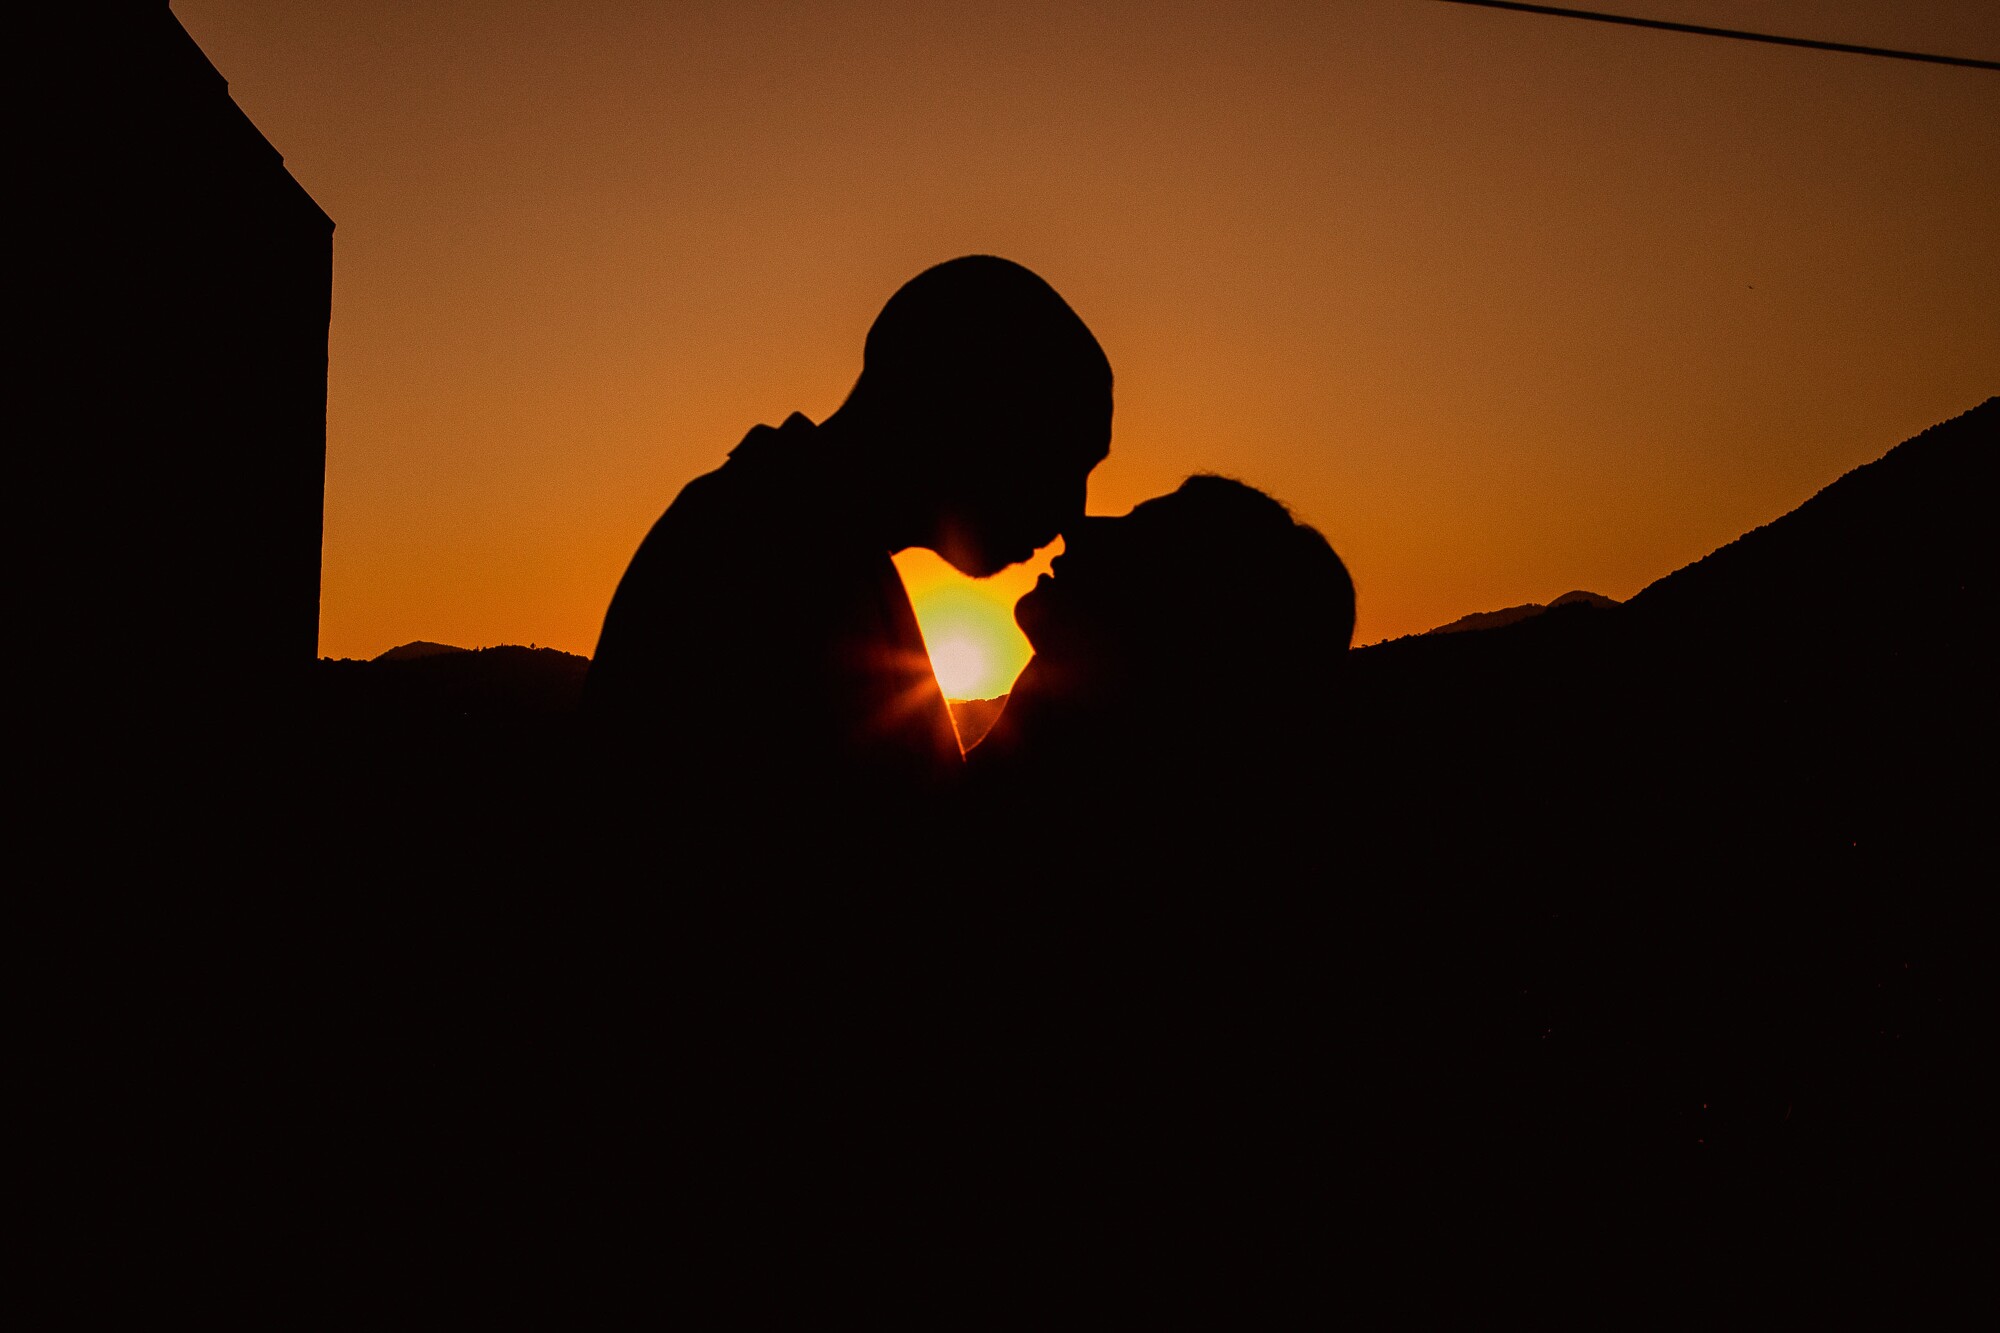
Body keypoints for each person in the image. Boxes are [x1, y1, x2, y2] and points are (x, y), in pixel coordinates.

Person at [582, 255, 1112, 808]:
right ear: (965, 406)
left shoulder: (802, 534)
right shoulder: (761, 557)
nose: (1070, 516)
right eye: (1063, 457)